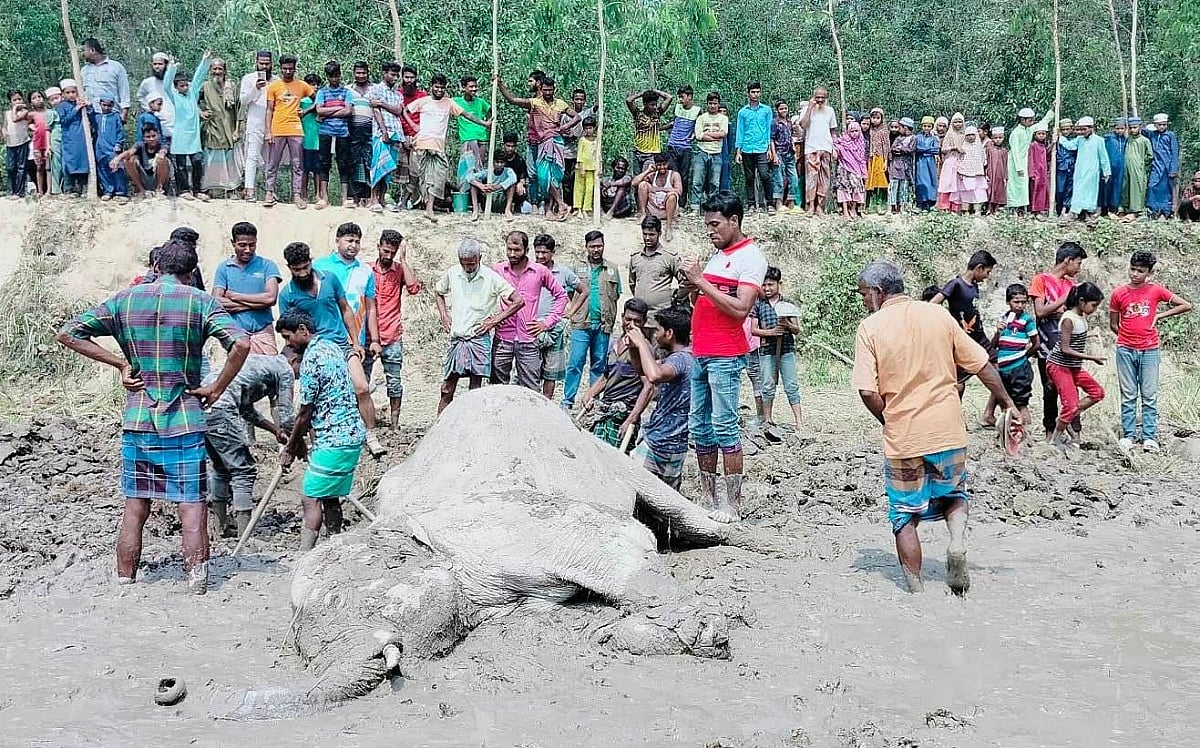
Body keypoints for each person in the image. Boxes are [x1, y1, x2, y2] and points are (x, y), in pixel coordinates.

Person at [56, 240, 251, 594]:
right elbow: (241, 343)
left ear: (156, 266)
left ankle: (125, 579)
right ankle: (196, 581)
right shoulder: (200, 301)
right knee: (192, 505)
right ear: (191, 273)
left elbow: (68, 333)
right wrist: (217, 387)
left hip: (139, 418)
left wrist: (119, 362)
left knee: (136, 504)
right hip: (185, 419)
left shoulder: (125, 299)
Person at [852, 259, 1019, 595]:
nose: (863, 301)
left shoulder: (870, 327)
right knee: (955, 494)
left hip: (904, 437)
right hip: (947, 429)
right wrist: (1007, 403)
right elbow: (981, 363)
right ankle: (956, 543)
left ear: (876, 292)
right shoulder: (938, 315)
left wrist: (891, 419)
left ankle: (916, 592)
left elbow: (868, 390)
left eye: (863, 295)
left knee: (904, 515)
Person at [685, 192, 767, 523]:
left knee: (723, 425)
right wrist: (694, 289)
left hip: (725, 353)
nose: (710, 230)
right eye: (707, 225)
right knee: (700, 427)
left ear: (734, 221)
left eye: (715, 224)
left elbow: (740, 309)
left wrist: (701, 282)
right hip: (701, 350)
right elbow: (711, 299)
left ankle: (732, 504)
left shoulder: (751, 258)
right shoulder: (718, 257)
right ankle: (708, 497)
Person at [278, 239, 386, 458]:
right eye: (296, 269)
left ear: (311, 261)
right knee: (312, 399)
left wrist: (355, 341)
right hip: (312, 351)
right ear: (289, 268)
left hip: (340, 344)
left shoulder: (330, 279)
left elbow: (346, 309)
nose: (301, 273)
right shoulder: (286, 294)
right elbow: (288, 330)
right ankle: (318, 445)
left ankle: (371, 435)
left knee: (362, 388)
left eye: (305, 267)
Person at [276, 311, 365, 552]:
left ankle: (306, 557)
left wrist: (290, 448)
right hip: (351, 434)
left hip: (335, 438)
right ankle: (335, 546)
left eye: (288, 337)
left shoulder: (312, 358)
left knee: (310, 497)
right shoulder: (332, 346)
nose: (288, 345)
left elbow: (305, 412)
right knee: (329, 496)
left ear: (303, 330)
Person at [202, 353, 295, 539]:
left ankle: (221, 529)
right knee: (244, 471)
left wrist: (274, 430)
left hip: (203, 406)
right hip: (221, 407)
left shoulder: (259, 364)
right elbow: (287, 415)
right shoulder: (286, 370)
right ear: (296, 360)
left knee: (221, 468)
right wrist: (294, 442)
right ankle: (245, 534)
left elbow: (246, 409)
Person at [1109, 250, 1193, 454]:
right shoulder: (1119, 293)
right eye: (1133, 269)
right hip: (1126, 349)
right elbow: (1114, 324)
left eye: (1141, 271)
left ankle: (1149, 437)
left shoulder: (1155, 291)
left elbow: (1185, 305)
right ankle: (1128, 435)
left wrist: (1160, 316)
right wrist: (1127, 338)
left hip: (1150, 349)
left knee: (1149, 395)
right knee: (1128, 394)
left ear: (1149, 273)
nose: (1135, 274)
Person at [434, 239, 524, 414]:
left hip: (478, 339)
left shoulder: (491, 277)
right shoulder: (453, 273)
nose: (467, 268)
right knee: (447, 388)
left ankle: (473, 429)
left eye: (471, 264)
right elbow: (439, 291)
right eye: (464, 264)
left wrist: (493, 321)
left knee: (475, 390)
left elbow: (518, 301)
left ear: (480, 258)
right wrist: (444, 314)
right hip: (458, 339)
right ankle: (439, 428)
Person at [626, 307, 695, 489]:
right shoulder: (687, 357)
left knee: (633, 489)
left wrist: (642, 343)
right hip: (676, 445)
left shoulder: (679, 359)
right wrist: (634, 349)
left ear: (669, 333)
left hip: (659, 441)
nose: (656, 334)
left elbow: (654, 376)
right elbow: (644, 372)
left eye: (658, 330)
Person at [405, 73, 489, 223]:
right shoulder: (423, 101)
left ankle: (429, 208)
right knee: (423, 178)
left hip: (438, 145)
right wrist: (413, 125)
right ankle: (425, 207)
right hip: (423, 143)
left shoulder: (449, 103)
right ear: (431, 87)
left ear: (445, 88)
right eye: (436, 87)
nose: (439, 90)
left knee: (439, 176)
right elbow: (405, 110)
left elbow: (466, 115)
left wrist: (484, 123)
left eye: (442, 87)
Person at [491, 231, 567, 391]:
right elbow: (484, 295)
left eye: (517, 250)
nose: (512, 254)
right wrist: (493, 317)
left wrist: (546, 323)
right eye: (509, 249)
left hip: (529, 338)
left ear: (526, 250)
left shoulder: (540, 271)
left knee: (531, 389)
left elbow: (561, 296)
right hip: (503, 338)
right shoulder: (498, 270)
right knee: (496, 388)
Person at [498, 75, 576, 220]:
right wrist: (501, 85)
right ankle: (561, 204)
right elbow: (513, 100)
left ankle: (555, 208)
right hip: (542, 143)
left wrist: (565, 126)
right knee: (542, 176)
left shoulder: (560, 104)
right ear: (541, 89)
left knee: (555, 177)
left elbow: (577, 117)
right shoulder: (535, 103)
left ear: (554, 89)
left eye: (550, 90)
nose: (547, 93)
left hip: (557, 142)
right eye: (545, 90)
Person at [1030, 242, 1087, 438]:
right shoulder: (1041, 280)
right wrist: (1064, 299)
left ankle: (1075, 431)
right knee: (1049, 388)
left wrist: (1056, 309)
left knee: (1072, 388)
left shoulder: (1073, 285)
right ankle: (1049, 430)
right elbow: (1040, 311)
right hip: (1046, 345)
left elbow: (1076, 314)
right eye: (1078, 264)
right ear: (1067, 260)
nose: (1078, 268)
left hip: (1068, 345)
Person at [366, 229, 421, 429]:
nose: (388, 256)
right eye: (385, 251)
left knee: (394, 381)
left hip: (392, 334)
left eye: (392, 252)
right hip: (368, 335)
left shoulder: (399, 270)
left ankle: (394, 424)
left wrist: (404, 261)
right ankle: (365, 421)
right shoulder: (366, 270)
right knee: (363, 380)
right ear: (378, 247)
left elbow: (414, 288)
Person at [582, 299, 653, 450]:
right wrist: (589, 394)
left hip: (623, 414)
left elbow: (649, 387)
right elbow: (606, 377)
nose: (631, 325)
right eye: (628, 319)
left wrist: (631, 419)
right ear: (622, 317)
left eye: (637, 321)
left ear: (644, 322)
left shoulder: (644, 350)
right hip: (604, 410)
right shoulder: (614, 343)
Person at [563, 230, 623, 410]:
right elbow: (569, 293)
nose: (596, 250)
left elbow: (617, 294)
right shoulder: (576, 267)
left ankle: (592, 401)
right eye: (592, 247)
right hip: (581, 324)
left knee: (599, 364)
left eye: (599, 246)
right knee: (575, 363)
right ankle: (568, 400)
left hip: (604, 325)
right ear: (586, 247)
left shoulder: (612, 268)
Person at [930, 250, 998, 402]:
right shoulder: (956, 284)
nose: (988, 276)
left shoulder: (974, 285)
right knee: (958, 383)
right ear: (979, 268)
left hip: (979, 337)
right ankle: (954, 411)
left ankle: (990, 413)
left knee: (998, 368)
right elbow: (933, 303)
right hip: (964, 339)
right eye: (987, 271)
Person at [1046, 283, 1107, 448]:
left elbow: (1076, 337)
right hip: (1059, 365)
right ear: (1081, 301)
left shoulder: (1080, 317)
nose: (1094, 309)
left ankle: (1069, 414)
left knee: (1097, 392)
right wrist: (1091, 357)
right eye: (1093, 305)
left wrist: (1090, 334)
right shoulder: (1068, 319)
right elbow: (1065, 348)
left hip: (1072, 366)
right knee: (1070, 404)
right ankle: (1056, 438)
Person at [212, 221, 282, 354]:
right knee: (240, 373)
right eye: (242, 245)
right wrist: (257, 304)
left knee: (268, 370)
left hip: (263, 331)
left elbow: (271, 298)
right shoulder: (224, 268)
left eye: (252, 245)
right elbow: (217, 302)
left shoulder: (267, 265)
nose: (247, 250)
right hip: (236, 333)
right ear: (233, 243)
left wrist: (234, 296)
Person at [751, 267, 802, 428]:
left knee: (791, 385)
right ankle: (768, 420)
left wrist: (787, 324)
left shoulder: (788, 304)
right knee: (767, 385)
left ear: (779, 284)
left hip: (786, 350)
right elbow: (753, 330)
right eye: (764, 285)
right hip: (767, 351)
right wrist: (771, 332)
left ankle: (799, 422)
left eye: (770, 284)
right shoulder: (759, 305)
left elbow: (797, 329)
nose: (767, 288)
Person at [533, 235, 581, 400]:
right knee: (530, 369)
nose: (540, 256)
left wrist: (572, 310)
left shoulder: (564, 272)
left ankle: (547, 404)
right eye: (537, 252)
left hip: (555, 328)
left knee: (551, 371)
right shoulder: (529, 270)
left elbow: (584, 290)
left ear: (553, 252)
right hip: (532, 327)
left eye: (544, 252)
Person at [265, 54, 315, 209]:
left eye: (290, 69)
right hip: (278, 128)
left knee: (298, 164)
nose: (287, 71)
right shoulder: (273, 86)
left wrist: (306, 111)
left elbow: (318, 99)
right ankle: (269, 192)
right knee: (273, 163)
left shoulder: (302, 85)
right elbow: (269, 110)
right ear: (280, 68)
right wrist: (268, 130)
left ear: (295, 68)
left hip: (295, 128)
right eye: (285, 68)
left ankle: (297, 195)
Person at [164, 52, 212, 202]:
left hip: (193, 136)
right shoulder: (174, 96)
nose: (185, 87)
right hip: (180, 136)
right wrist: (172, 68)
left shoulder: (193, 94)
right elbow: (166, 85)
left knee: (197, 162)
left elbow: (199, 76)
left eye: (186, 84)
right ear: (176, 87)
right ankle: (183, 190)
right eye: (182, 85)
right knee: (181, 166)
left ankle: (197, 190)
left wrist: (205, 59)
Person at [989, 283, 1039, 427]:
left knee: (1021, 404)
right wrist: (998, 332)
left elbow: (1036, 344)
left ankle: (1026, 431)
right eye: (1016, 302)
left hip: (1019, 369)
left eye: (1023, 302)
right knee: (1006, 403)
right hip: (1004, 369)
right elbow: (994, 345)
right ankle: (1012, 433)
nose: (1020, 305)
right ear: (1008, 302)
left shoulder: (1027, 320)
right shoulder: (1003, 320)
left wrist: (1022, 357)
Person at [628, 215, 681, 331]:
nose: (647, 238)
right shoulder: (635, 257)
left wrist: (676, 297)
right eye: (645, 234)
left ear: (659, 234)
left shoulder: (669, 257)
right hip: (639, 319)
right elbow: (632, 283)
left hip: (660, 319)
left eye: (651, 234)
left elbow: (684, 281)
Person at [367, 62, 407, 211]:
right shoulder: (375, 89)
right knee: (378, 165)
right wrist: (383, 131)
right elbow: (376, 111)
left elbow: (398, 110)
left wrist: (382, 103)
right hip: (380, 132)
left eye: (397, 75)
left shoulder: (397, 94)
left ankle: (383, 198)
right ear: (384, 73)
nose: (395, 78)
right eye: (392, 74)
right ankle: (373, 199)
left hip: (396, 133)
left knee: (389, 168)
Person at [199, 57, 241, 199]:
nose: (217, 71)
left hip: (228, 127)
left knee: (229, 160)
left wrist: (237, 129)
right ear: (210, 71)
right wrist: (201, 112)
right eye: (214, 69)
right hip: (212, 128)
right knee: (212, 160)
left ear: (225, 71)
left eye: (220, 69)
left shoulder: (232, 86)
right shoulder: (205, 86)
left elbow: (239, 108)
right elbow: (191, 101)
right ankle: (209, 190)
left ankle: (230, 190)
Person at [314, 61, 352, 208]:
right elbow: (319, 110)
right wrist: (338, 108)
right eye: (331, 76)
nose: (334, 79)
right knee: (324, 164)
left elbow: (348, 111)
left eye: (336, 76)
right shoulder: (322, 92)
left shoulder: (346, 92)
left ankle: (344, 198)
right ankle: (324, 198)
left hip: (342, 133)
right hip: (326, 132)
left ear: (340, 75)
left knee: (343, 164)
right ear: (327, 77)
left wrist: (328, 111)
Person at [1058, 116, 1110, 220]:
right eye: (1080, 129)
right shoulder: (1079, 139)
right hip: (1080, 170)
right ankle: (1074, 213)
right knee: (1078, 191)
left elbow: (1103, 157)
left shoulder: (1099, 140)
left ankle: (1088, 214)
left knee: (1090, 193)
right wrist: (1061, 138)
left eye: (1084, 129)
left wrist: (1106, 172)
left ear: (1091, 128)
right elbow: (1070, 146)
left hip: (1092, 171)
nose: (1082, 132)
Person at [238, 51, 273, 201]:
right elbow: (243, 100)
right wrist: (256, 88)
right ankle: (249, 190)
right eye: (262, 63)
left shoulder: (277, 80)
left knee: (270, 160)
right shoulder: (248, 79)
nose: (264, 66)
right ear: (256, 62)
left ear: (271, 64)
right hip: (255, 124)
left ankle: (269, 192)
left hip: (272, 125)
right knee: (251, 157)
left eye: (267, 63)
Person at [1005, 107, 1053, 213]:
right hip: (1015, 163)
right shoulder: (1016, 133)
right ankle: (1014, 209)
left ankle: (1023, 209)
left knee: (1023, 187)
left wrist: (1052, 110)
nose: (1032, 122)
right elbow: (1015, 152)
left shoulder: (1029, 130)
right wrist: (1018, 168)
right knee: (1015, 186)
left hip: (1025, 161)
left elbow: (1043, 122)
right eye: (1030, 120)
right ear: (1023, 120)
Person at [734, 82, 772, 212]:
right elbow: (740, 131)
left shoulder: (766, 110)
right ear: (748, 93)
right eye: (753, 92)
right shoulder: (743, 112)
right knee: (749, 177)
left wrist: (769, 149)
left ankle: (768, 203)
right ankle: (751, 204)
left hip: (762, 147)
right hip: (747, 148)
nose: (755, 94)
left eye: (757, 92)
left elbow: (768, 130)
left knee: (765, 175)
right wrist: (738, 151)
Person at [800, 86, 837, 215]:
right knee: (811, 178)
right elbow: (803, 125)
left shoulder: (830, 111)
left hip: (826, 147)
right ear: (813, 97)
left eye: (823, 97)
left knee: (824, 178)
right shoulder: (806, 109)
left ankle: (820, 206)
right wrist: (810, 107)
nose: (820, 100)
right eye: (818, 97)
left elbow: (833, 131)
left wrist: (834, 148)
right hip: (811, 147)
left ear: (826, 98)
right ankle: (810, 205)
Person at [452, 75, 492, 191]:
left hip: (481, 138)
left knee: (479, 170)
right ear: (464, 88)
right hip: (468, 139)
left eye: (475, 86)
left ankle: (478, 199)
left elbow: (491, 112)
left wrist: (488, 123)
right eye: (471, 87)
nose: (474, 89)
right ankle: (465, 195)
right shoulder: (456, 101)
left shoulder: (480, 102)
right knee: (468, 170)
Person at [632, 154, 683, 239]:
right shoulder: (653, 174)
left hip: (667, 209)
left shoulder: (674, 175)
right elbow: (634, 183)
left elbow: (679, 191)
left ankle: (668, 227)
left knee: (672, 196)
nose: (662, 167)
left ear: (668, 163)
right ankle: (643, 214)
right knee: (643, 185)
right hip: (653, 208)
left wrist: (659, 189)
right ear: (655, 165)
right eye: (659, 165)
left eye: (664, 164)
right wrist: (648, 171)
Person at [691, 92, 727, 209]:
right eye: (710, 103)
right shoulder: (701, 118)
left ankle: (713, 207)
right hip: (702, 152)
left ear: (718, 104)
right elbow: (698, 135)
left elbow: (723, 133)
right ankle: (695, 206)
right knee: (697, 181)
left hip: (716, 153)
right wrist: (714, 136)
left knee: (714, 183)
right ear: (707, 104)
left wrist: (707, 135)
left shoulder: (723, 118)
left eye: (715, 103)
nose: (712, 106)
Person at [80, 38, 130, 121]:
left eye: (83, 50)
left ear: (92, 50)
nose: (82, 54)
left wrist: (124, 113)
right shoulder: (84, 70)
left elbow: (124, 91)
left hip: (111, 115)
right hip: (89, 116)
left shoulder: (116, 67)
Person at [666, 85, 700, 205]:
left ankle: (682, 203)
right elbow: (673, 122)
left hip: (686, 147)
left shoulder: (697, 110)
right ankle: (671, 201)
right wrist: (660, 128)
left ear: (689, 97)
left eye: (682, 97)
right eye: (679, 97)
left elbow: (699, 126)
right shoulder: (677, 107)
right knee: (672, 174)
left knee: (684, 176)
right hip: (673, 144)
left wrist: (695, 135)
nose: (680, 99)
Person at [55, 80, 90, 195]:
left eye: (73, 92)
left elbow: (91, 116)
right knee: (70, 161)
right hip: (70, 137)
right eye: (68, 92)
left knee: (83, 161)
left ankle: (83, 186)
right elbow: (64, 120)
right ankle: (69, 188)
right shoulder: (62, 106)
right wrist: (76, 109)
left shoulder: (80, 103)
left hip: (82, 137)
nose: (71, 95)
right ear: (63, 94)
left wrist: (87, 106)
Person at [91, 97, 128, 202]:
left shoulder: (116, 117)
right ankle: (108, 191)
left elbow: (120, 131)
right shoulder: (97, 117)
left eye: (109, 106)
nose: (106, 108)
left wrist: (118, 144)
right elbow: (89, 115)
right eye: (104, 105)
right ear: (100, 104)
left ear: (112, 106)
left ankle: (121, 192)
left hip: (112, 148)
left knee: (117, 169)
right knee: (102, 170)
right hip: (100, 148)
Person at [626, 88, 671, 172]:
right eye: (652, 105)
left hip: (652, 153)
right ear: (645, 104)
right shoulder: (638, 114)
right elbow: (629, 100)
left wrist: (655, 91)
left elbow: (669, 97)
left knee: (647, 178)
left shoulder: (657, 114)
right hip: (638, 152)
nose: (655, 107)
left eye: (655, 104)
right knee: (637, 179)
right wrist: (642, 93)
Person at [1145, 113, 1180, 219]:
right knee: (1152, 186)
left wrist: (1173, 168)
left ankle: (1166, 211)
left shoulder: (1170, 136)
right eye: (1159, 125)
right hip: (1156, 166)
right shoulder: (1153, 134)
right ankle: (1153, 209)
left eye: (1164, 124)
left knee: (1166, 189)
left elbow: (1174, 153)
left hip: (1167, 167)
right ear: (1155, 125)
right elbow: (1142, 130)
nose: (1162, 127)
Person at [466, 150, 519, 218]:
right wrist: (481, 186)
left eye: (502, 162)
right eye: (497, 162)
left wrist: (497, 187)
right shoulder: (488, 172)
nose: (499, 165)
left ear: (505, 163)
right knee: (473, 184)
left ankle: (507, 210)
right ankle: (475, 210)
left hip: (501, 199)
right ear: (493, 162)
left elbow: (513, 179)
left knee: (512, 185)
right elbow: (468, 176)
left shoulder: (508, 171)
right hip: (488, 199)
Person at [136, 53, 175, 143]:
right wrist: (150, 109)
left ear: (166, 65)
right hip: (155, 123)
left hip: (173, 123)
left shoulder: (174, 83)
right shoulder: (148, 82)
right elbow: (140, 96)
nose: (157, 67)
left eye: (160, 64)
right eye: (155, 64)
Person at [770, 100, 801, 213]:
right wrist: (774, 154)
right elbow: (772, 139)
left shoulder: (789, 123)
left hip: (789, 154)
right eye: (781, 109)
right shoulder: (774, 123)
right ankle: (778, 203)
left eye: (785, 108)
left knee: (794, 178)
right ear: (777, 110)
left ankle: (791, 203)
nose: (784, 111)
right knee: (778, 179)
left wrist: (793, 148)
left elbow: (791, 136)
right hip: (779, 153)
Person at [834, 116, 867, 219]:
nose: (854, 133)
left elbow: (862, 160)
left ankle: (853, 209)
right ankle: (845, 211)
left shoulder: (861, 143)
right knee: (844, 189)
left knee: (856, 188)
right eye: (852, 131)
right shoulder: (843, 142)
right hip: (844, 168)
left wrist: (864, 173)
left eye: (856, 131)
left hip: (856, 170)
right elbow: (837, 150)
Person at [954, 124, 988, 213]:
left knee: (978, 192)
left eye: (972, 135)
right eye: (968, 135)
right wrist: (960, 171)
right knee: (966, 192)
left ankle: (977, 211)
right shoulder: (963, 147)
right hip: (966, 174)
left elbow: (983, 160)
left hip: (977, 175)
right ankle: (965, 211)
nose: (970, 137)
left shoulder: (979, 147)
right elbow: (959, 160)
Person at [1122, 117, 1152, 215]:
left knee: (1138, 188)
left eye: (1135, 127)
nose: (1132, 130)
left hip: (1138, 169)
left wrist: (1142, 164)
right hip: (1127, 168)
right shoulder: (1128, 139)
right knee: (1126, 187)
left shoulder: (1144, 140)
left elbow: (1150, 156)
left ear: (1140, 127)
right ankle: (1126, 208)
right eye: (1130, 128)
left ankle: (1138, 209)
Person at [937, 112, 967, 211]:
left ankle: (956, 207)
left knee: (958, 185)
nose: (958, 124)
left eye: (960, 122)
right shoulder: (949, 134)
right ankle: (944, 206)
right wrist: (954, 148)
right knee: (947, 183)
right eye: (955, 122)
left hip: (962, 161)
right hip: (950, 161)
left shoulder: (965, 135)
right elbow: (943, 149)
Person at [864, 107, 890, 214]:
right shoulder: (868, 130)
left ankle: (879, 204)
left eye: (877, 118)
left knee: (880, 182)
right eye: (873, 117)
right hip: (869, 159)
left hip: (879, 158)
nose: (875, 120)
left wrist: (886, 161)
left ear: (881, 119)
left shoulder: (884, 131)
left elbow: (886, 147)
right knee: (869, 181)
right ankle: (868, 205)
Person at [887, 117, 916, 213]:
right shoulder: (898, 138)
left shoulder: (913, 138)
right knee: (893, 185)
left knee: (904, 187)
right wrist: (901, 149)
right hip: (896, 164)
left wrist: (901, 148)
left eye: (900, 127)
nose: (899, 129)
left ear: (905, 128)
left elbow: (910, 150)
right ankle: (890, 208)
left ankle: (902, 207)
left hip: (906, 166)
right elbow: (893, 149)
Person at [5, 91, 31, 198]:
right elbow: (5, 125)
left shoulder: (24, 111)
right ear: (10, 102)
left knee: (21, 166)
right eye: (14, 100)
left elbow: (15, 119)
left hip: (22, 142)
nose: (17, 101)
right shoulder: (6, 113)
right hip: (10, 143)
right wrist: (3, 131)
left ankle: (19, 192)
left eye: (19, 99)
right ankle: (11, 190)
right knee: (10, 167)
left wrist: (15, 108)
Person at [572, 118, 600, 214]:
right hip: (581, 167)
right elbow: (579, 154)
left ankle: (586, 208)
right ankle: (578, 208)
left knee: (589, 188)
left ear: (594, 128)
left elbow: (598, 155)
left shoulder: (597, 141)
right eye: (586, 128)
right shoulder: (582, 140)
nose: (588, 130)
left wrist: (599, 166)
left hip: (592, 168)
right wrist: (581, 166)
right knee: (579, 188)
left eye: (590, 128)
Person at [1101, 117, 1127, 216]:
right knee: (1107, 187)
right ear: (1114, 128)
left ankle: (1114, 208)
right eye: (1117, 128)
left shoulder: (1125, 140)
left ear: (1125, 129)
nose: (1119, 130)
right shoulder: (1108, 138)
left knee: (1118, 187)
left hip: (1120, 168)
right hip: (1109, 167)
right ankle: (1104, 209)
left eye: (1122, 128)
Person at [913, 116, 939, 211]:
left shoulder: (934, 139)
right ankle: (921, 202)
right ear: (922, 126)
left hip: (930, 162)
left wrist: (924, 150)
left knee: (931, 181)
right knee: (920, 181)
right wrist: (927, 150)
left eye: (929, 126)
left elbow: (935, 150)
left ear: (932, 127)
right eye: (925, 126)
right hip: (920, 162)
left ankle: (929, 203)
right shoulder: (918, 137)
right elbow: (917, 148)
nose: (926, 128)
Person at [1053, 117, 1077, 215]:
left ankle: (1067, 208)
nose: (1066, 131)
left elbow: (1073, 148)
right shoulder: (1057, 140)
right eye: (1063, 129)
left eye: (1068, 129)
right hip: (1060, 168)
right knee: (1060, 189)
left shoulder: (1075, 139)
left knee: (1070, 188)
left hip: (1071, 166)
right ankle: (1059, 208)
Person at [44, 86, 64, 195]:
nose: (55, 101)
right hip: (56, 137)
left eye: (57, 98)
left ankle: (66, 187)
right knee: (56, 163)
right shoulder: (51, 113)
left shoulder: (67, 109)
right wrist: (48, 145)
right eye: (52, 100)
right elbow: (48, 130)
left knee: (66, 162)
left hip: (67, 137)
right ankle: (56, 189)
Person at [1028, 123, 1052, 215]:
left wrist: (1053, 143)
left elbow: (1047, 156)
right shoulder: (1033, 145)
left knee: (1043, 190)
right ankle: (1034, 210)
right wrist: (1031, 172)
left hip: (1043, 172)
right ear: (1035, 135)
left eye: (1043, 134)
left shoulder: (1044, 146)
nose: (1041, 136)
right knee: (1035, 190)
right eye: (1039, 134)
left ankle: (1041, 208)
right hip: (1036, 172)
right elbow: (1030, 159)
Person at [984, 126, 1008, 214]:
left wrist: (1006, 176)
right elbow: (986, 162)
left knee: (999, 190)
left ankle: (997, 209)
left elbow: (1006, 164)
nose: (998, 140)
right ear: (992, 138)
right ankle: (989, 208)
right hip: (991, 173)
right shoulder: (989, 149)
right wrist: (985, 174)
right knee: (990, 191)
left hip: (1000, 174)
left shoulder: (1004, 151)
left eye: (1000, 138)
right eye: (996, 138)